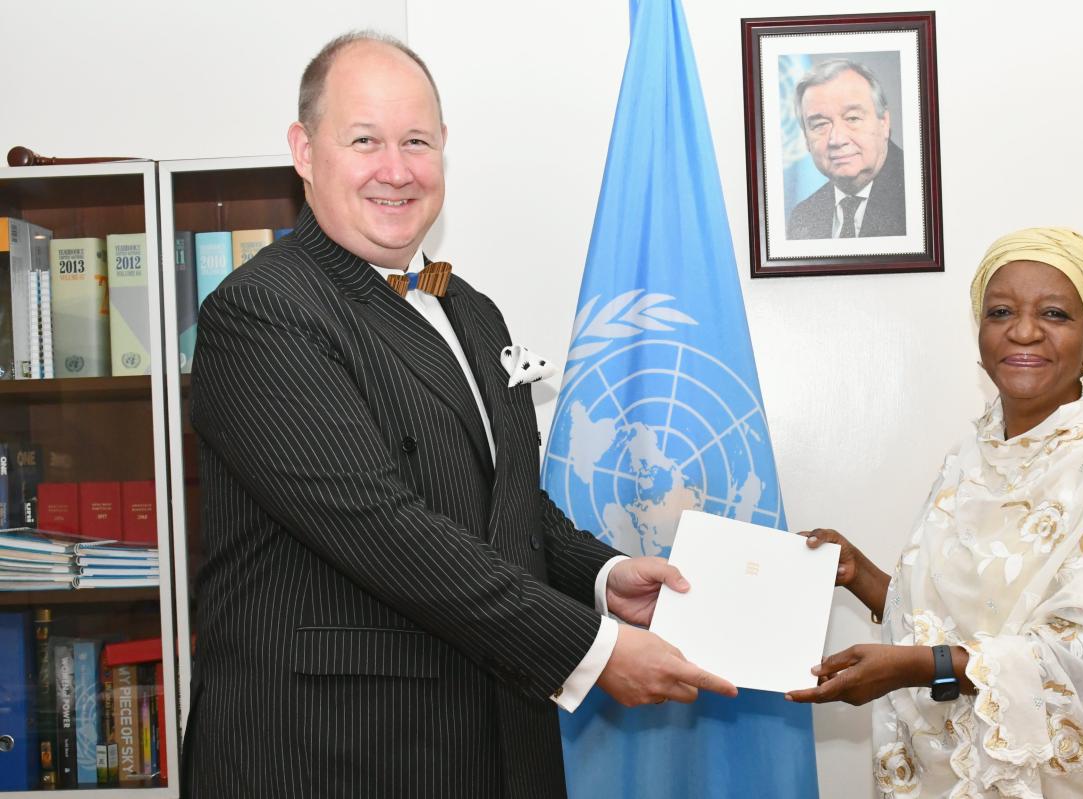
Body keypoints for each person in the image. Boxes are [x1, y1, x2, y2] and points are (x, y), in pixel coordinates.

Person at [181, 31, 734, 799]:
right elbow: (382, 525)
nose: (397, 170)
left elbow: (503, 503)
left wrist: (602, 577)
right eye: (365, 140)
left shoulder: (473, 311)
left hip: (499, 744)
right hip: (334, 758)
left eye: (417, 141)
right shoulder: (263, 311)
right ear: (304, 151)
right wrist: (594, 649)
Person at [789, 228, 1083, 797]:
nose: (1023, 331)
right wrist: (860, 574)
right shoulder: (972, 456)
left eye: (1055, 313)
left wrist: (917, 667)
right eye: (1001, 310)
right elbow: (957, 627)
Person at [786, 59, 907, 240]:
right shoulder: (802, 217)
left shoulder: (919, 195)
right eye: (820, 125)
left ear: (884, 123)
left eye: (852, 118)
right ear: (805, 139)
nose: (837, 139)